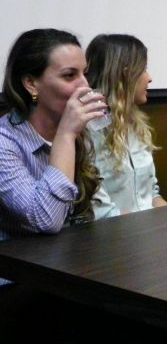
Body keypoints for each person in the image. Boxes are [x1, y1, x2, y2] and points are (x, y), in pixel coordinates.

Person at [0, 29, 103, 240]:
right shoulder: (5, 141)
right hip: (16, 259)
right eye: (69, 75)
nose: (85, 85)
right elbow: (47, 220)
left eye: (84, 73)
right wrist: (66, 136)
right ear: (31, 83)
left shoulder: (78, 132)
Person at [85, 34, 167, 219]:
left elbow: (152, 194)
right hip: (116, 232)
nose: (149, 78)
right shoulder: (87, 132)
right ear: (125, 74)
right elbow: (101, 212)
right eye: (143, 69)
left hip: (148, 226)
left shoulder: (138, 126)